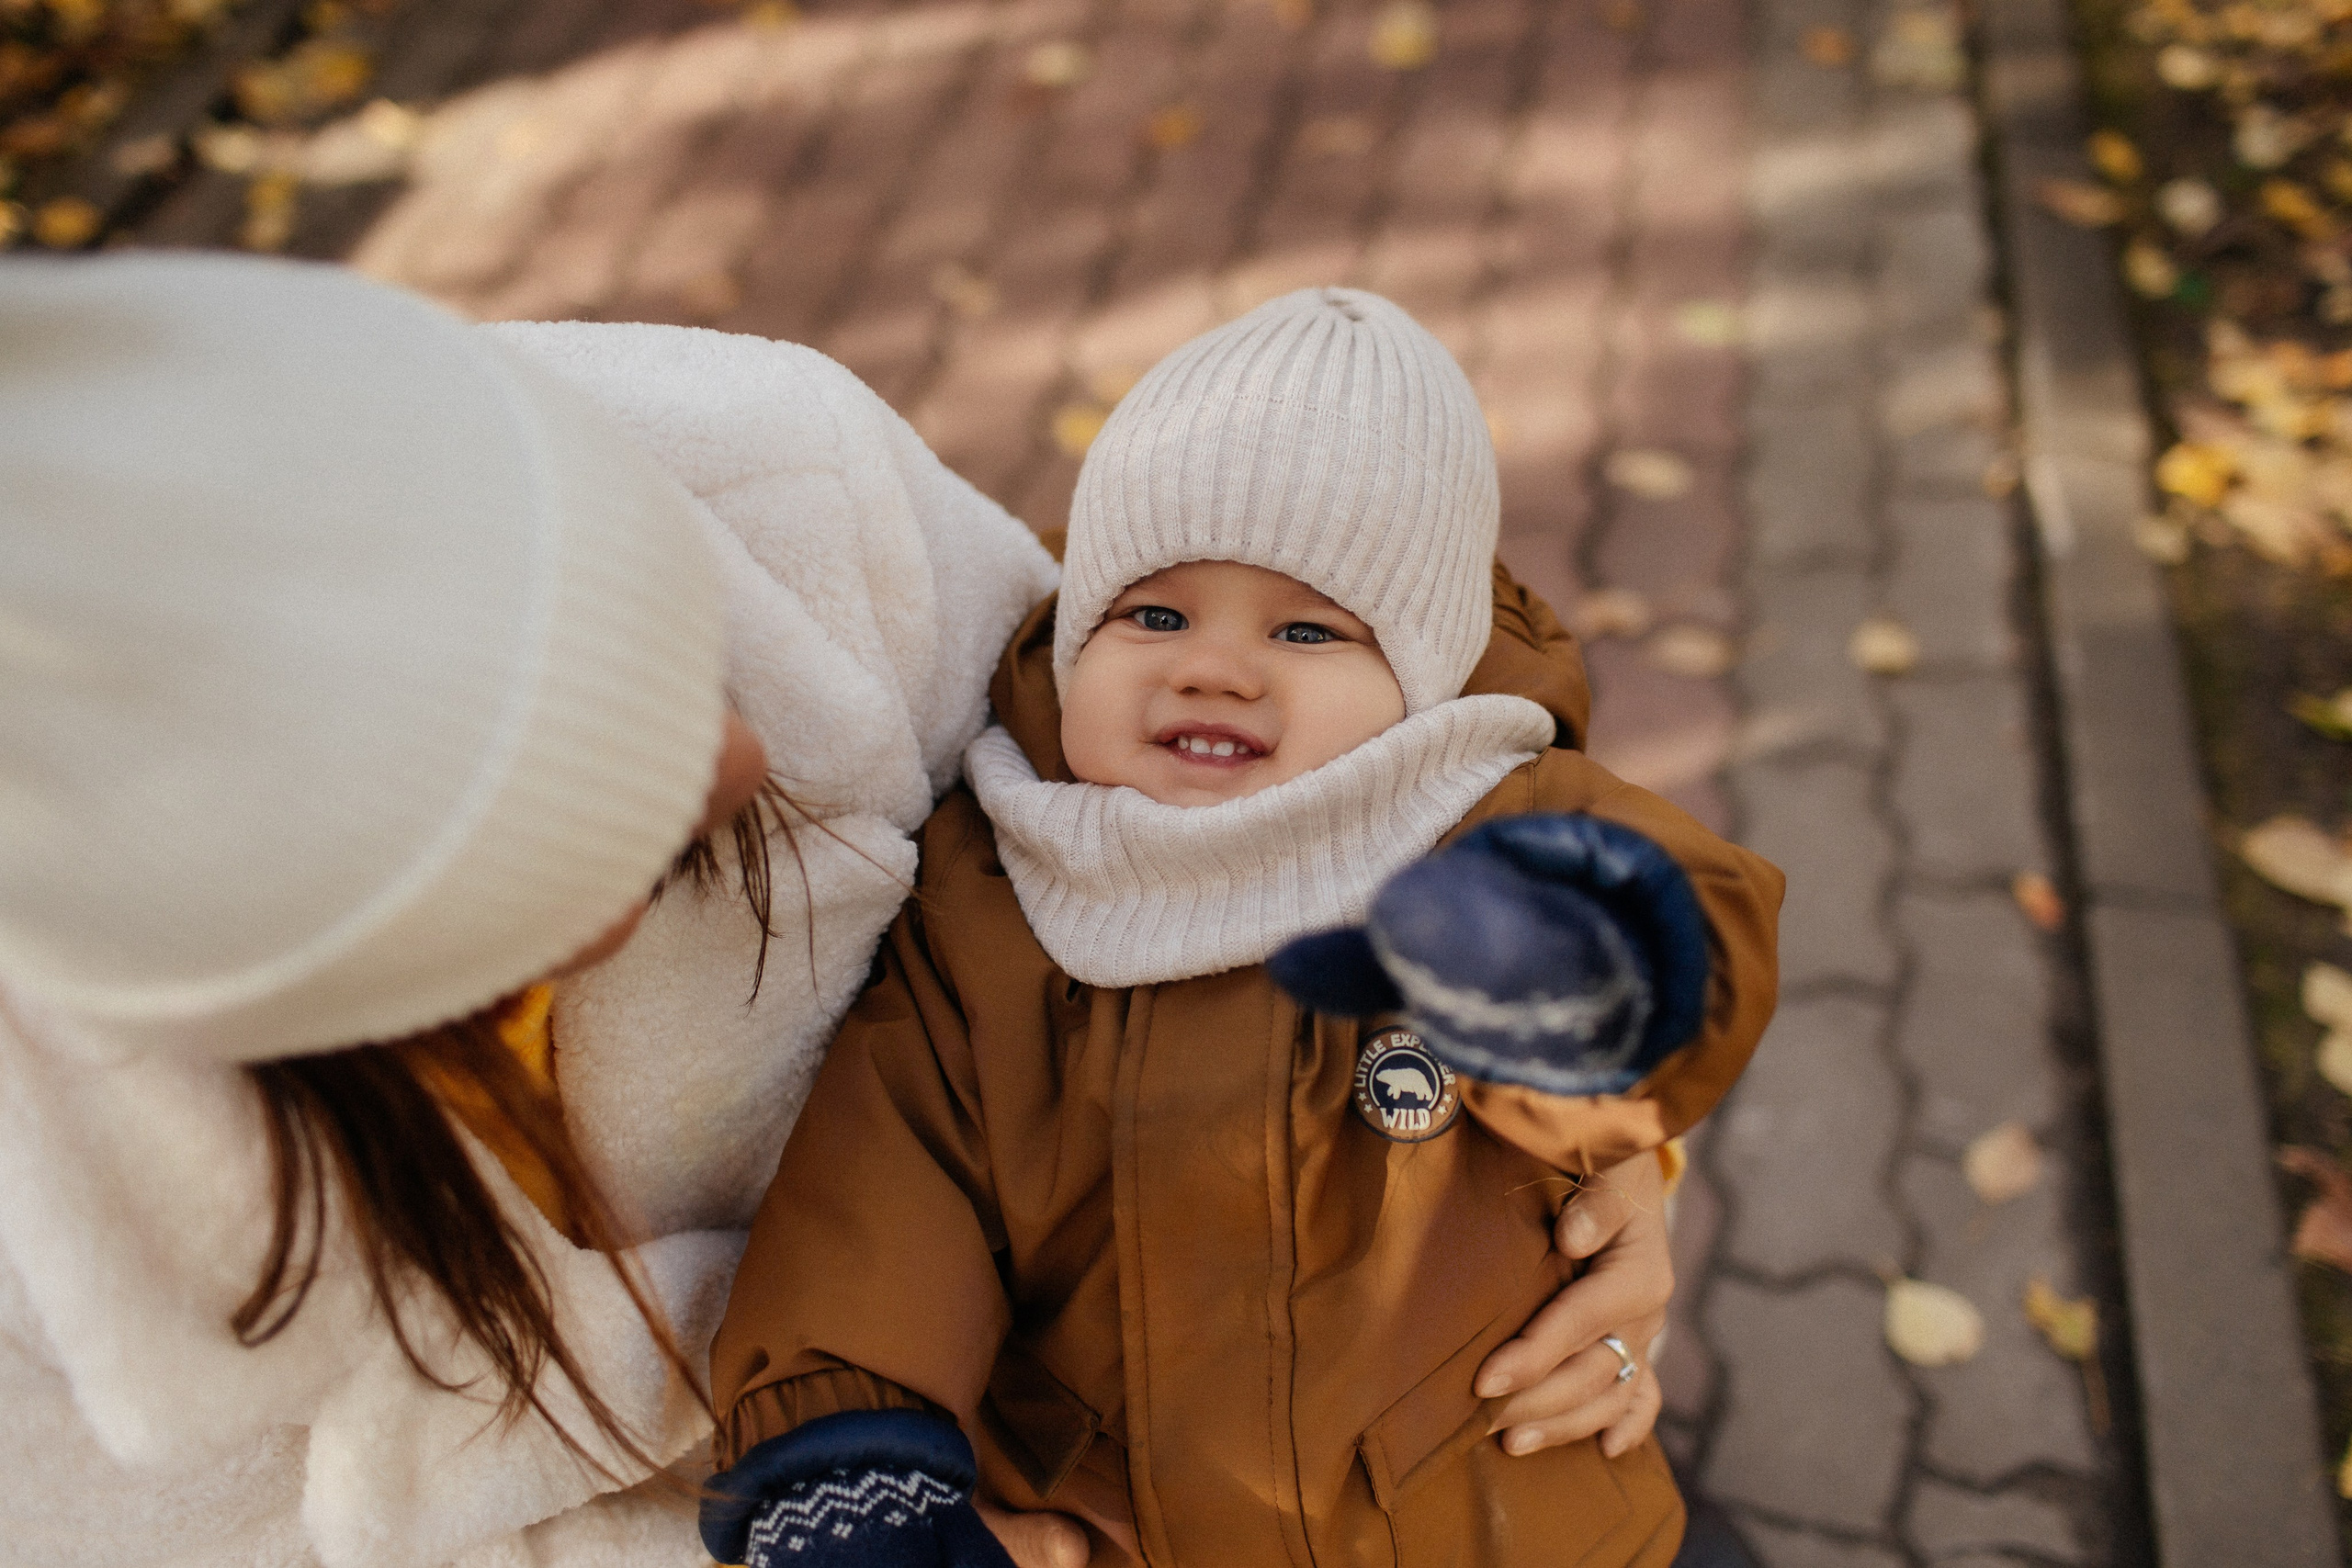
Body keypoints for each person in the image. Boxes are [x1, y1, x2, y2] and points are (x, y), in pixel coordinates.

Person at [0, 258, 1671, 1568]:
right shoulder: (62, 1210)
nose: (740, 761)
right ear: (360, 975)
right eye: (602, 805)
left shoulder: (772, 481)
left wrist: (1596, 1174)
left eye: (669, 650)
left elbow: (1257, 784)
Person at [702, 288, 1784, 1568]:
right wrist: (851, 1460)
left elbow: (1691, 922)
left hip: (1484, 1512)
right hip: (1119, 1518)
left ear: (1418, 683)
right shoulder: (994, 891)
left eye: (1307, 629)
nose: (1212, 666)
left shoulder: (1485, 827)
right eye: (1153, 615)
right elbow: (885, 1186)